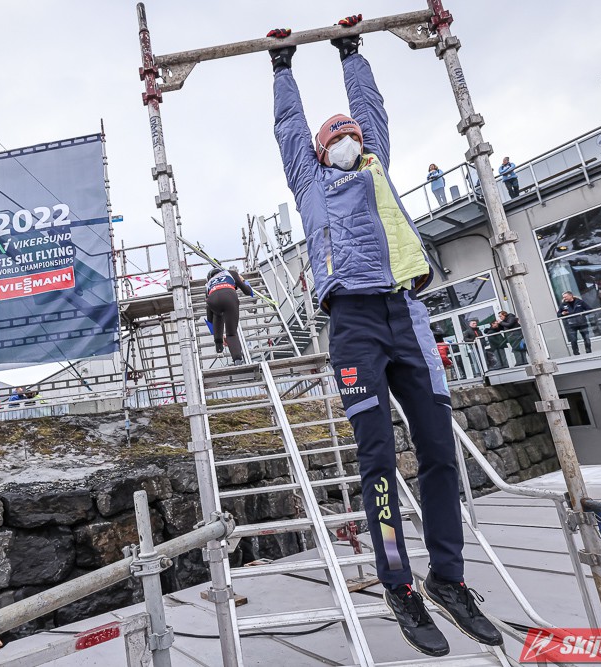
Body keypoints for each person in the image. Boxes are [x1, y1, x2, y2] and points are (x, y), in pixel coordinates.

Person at [268, 17, 502, 654]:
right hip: (354, 324)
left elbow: (370, 107)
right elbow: (290, 128)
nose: (347, 138)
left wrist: (351, 52)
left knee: (439, 451)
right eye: (335, 136)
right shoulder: (311, 183)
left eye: (353, 133)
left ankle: (448, 578)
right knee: (377, 458)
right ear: (320, 152)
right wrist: (283, 67)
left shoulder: (380, 169)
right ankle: (398, 584)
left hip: (407, 315)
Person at [205, 266, 254, 365]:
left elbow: (209, 309)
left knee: (217, 314)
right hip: (229, 297)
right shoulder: (231, 273)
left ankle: (219, 345)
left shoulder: (208, 284)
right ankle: (237, 360)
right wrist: (244, 281)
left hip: (212, 300)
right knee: (231, 333)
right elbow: (248, 292)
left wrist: (214, 333)